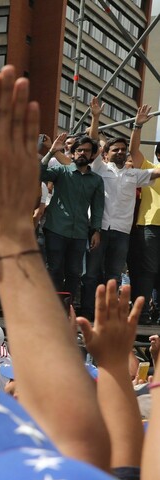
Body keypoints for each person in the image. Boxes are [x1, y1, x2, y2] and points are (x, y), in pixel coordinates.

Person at [82, 99, 160, 319]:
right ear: (105, 154)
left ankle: (107, 313)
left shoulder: (134, 175)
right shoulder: (99, 168)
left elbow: (155, 173)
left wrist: (138, 126)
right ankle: (89, 311)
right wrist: (95, 117)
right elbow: (94, 141)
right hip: (99, 230)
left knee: (114, 276)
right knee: (91, 274)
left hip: (122, 232)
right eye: (114, 149)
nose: (119, 152)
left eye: (122, 150)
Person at [40, 133, 104, 309]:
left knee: (74, 273)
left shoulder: (97, 180)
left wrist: (96, 230)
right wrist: (51, 152)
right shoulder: (62, 171)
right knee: (54, 269)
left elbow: (98, 208)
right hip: (56, 229)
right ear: (73, 153)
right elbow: (38, 174)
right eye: (79, 150)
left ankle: (66, 309)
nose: (83, 153)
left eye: (87, 151)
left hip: (80, 232)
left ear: (92, 155)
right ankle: (51, 308)